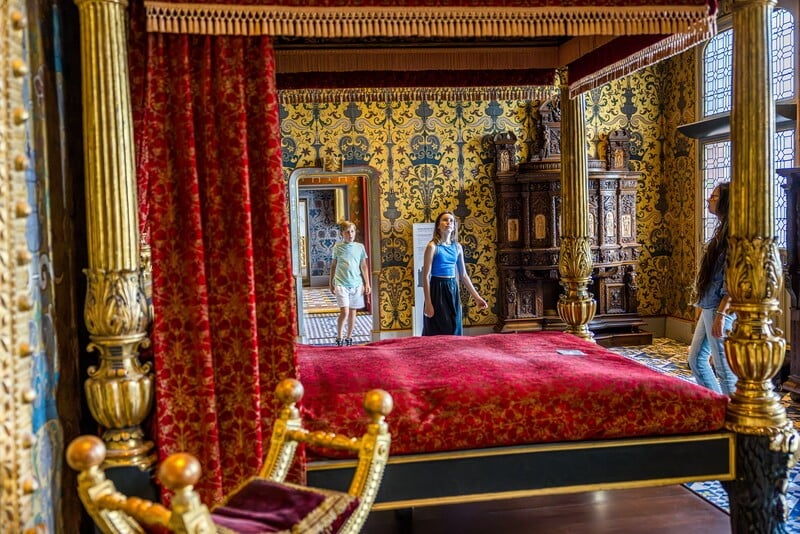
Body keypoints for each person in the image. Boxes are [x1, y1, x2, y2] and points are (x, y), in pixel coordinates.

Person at [687, 182, 738, 395]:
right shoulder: (721, 231)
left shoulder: (732, 237)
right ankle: (717, 404)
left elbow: (732, 280)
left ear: (725, 202)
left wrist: (721, 313)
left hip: (720, 307)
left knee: (723, 367)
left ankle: (733, 414)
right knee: (696, 359)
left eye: (714, 197)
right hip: (710, 304)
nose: (709, 199)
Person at [422, 211, 488, 336]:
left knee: (454, 326)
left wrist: (477, 298)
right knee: (437, 328)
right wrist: (428, 303)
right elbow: (426, 276)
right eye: (445, 220)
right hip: (437, 289)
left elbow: (463, 275)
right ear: (438, 225)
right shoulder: (432, 246)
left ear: (454, 227)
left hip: (452, 288)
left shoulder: (457, 247)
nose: (449, 223)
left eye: (451, 221)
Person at [329, 220, 371, 347]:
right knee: (345, 312)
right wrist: (331, 282)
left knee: (353, 312)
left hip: (357, 284)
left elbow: (363, 266)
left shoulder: (360, 247)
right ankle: (339, 336)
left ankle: (349, 337)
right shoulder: (337, 247)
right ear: (342, 233)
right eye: (347, 232)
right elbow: (333, 266)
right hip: (341, 283)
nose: (350, 234)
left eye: (352, 231)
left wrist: (367, 283)